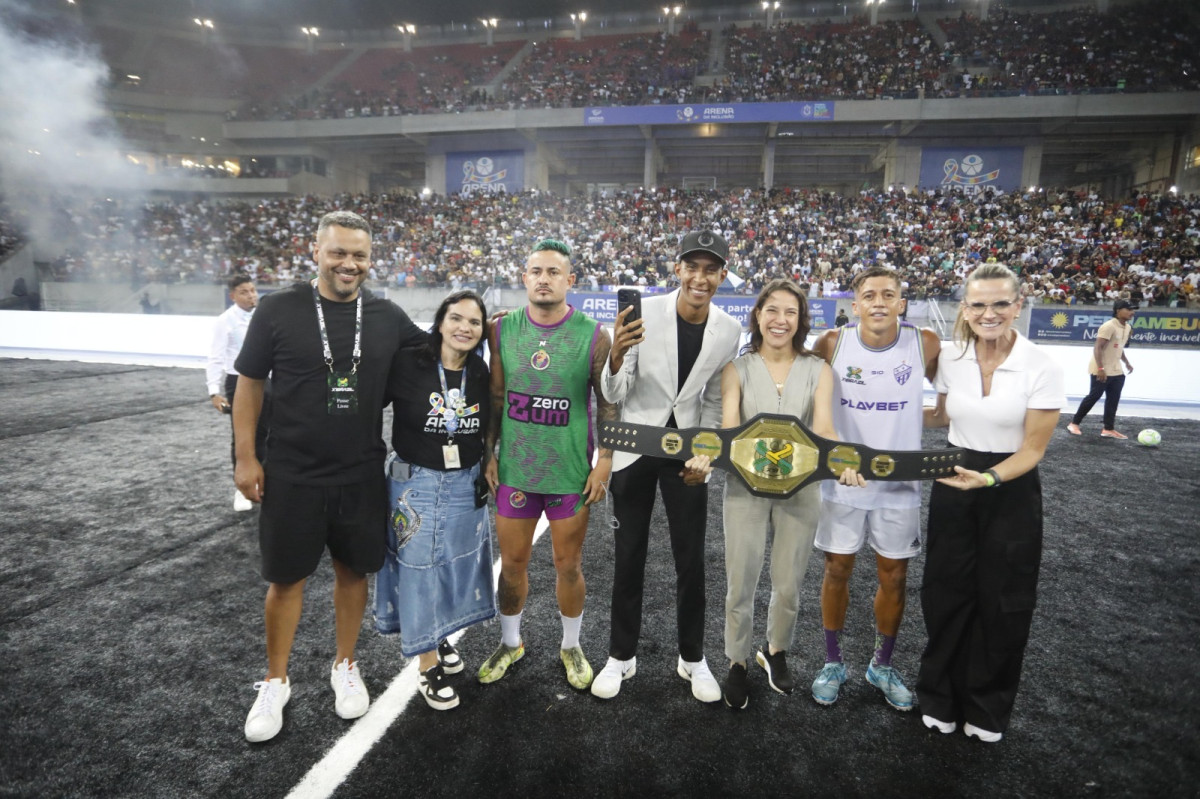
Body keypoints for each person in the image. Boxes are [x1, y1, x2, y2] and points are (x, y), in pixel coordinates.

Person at [233, 210, 424, 743]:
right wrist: (245, 458)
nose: (349, 263)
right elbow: (248, 384)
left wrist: (489, 325)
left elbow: (435, 354)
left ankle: (345, 664)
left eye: (359, 254)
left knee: (353, 574)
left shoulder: (385, 315)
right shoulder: (277, 310)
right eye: (338, 252)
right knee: (286, 579)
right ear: (315, 251)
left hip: (361, 471)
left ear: (370, 258)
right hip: (291, 472)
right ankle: (275, 680)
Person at [691, 279, 864, 710]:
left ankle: (775, 650)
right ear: (758, 316)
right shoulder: (738, 369)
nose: (780, 320)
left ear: (801, 320)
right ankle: (736, 660)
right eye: (771, 310)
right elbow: (728, 430)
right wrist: (707, 455)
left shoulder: (819, 370)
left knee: (788, 582)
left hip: (802, 489)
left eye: (789, 312)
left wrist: (842, 459)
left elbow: (824, 428)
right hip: (745, 490)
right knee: (741, 579)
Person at [591, 230, 742, 703]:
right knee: (628, 555)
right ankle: (621, 655)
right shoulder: (644, 313)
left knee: (691, 560)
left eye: (710, 268)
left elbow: (715, 402)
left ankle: (692, 658)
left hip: (687, 454)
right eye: (691, 267)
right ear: (677, 269)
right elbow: (615, 393)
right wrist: (615, 355)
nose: (701, 277)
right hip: (636, 447)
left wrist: (709, 453)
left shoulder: (729, 330)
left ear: (722, 274)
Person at [918, 262, 1065, 743]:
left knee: (1003, 601)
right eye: (978, 304)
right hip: (953, 479)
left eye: (1001, 303)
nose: (989, 313)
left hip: (1010, 487)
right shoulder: (951, 359)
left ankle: (985, 708)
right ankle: (939, 697)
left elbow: (1033, 450)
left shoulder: (1040, 365)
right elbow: (940, 418)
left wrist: (988, 478)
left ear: (1018, 306)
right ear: (965, 308)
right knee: (945, 592)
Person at [481, 239, 615, 691]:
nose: (543, 278)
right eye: (535, 271)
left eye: (553, 272)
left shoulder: (593, 335)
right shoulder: (500, 329)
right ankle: (510, 642)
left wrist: (606, 460)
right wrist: (489, 453)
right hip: (517, 471)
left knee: (568, 565)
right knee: (512, 565)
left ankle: (571, 645)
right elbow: (497, 396)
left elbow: (608, 401)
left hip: (569, 473)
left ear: (570, 281)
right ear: (524, 278)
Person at [810, 266, 940, 711]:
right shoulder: (832, 343)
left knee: (895, 576)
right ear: (856, 303)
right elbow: (811, 406)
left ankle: (881, 665)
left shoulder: (924, 343)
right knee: (837, 570)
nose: (879, 302)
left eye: (889, 294)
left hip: (899, 485)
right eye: (870, 295)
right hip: (844, 481)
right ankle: (832, 662)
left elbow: (951, 400)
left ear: (902, 303)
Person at [374, 290, 496, 711]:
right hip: (416, 486)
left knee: (451, 563)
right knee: (419, 569)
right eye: (456, 318)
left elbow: (490, 423)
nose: (464, 327)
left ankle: (440, 634)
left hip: (465, 484)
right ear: (441, 322)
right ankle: (427, 664)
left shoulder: (480, 372)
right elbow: (371, 404)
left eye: (474, 323)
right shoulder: (409, 364)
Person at [206, 274, 266, 512]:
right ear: (232, 296)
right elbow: (215, 357)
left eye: (253, 290)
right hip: (238, 381)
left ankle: (266, 481)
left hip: (268, 380)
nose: (251, 295)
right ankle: (241, 489)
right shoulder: (225, 321)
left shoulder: (263, 317)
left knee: (270, 433)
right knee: (243, 435)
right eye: (244, 292)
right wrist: (214, 392)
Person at [1066, 299, 1135, 439]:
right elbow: (1098, 347)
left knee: (1113, 399)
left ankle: (1108, 429)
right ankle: (1074, 423)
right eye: (1128, 309)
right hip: (1101, 368)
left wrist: (1127, 362)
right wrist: (1100, 368)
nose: (1131, 312)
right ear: (1118, 311)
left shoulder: (1127, 327)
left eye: (1132, 310)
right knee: (1094, 396)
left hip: (1117, 370)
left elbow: (1119, 347)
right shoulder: (1108, 326)